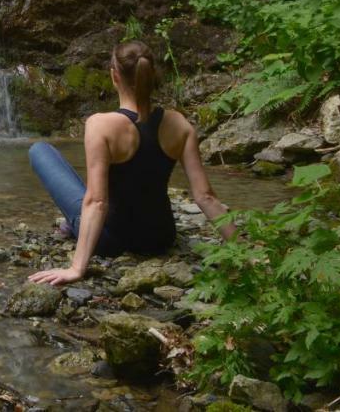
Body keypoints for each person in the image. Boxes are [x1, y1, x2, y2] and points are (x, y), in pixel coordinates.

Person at [26, 40, 235, 285]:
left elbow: (97, 201)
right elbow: (206, 197)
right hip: (160, 238)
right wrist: (243, 250)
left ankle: (74, 228)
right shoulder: (179, 124)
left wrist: (76, 268)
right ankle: (71, 226)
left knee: (40, 150)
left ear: (114, 76)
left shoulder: (99, 125)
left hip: (110, 240)